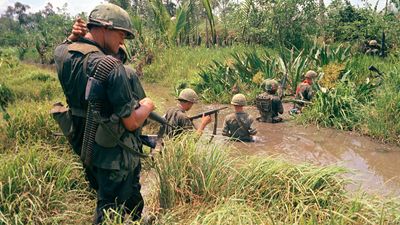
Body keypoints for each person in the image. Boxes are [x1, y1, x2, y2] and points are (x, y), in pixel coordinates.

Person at [54, 4, 155, 223]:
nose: (122, 42)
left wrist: (72, 37)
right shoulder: (111, 66)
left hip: (86, 147)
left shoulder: (61, 53)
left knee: (105, 198)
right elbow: (131, 123)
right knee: (110, 210)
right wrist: (147, 106)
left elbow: (67, 46)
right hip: (113, 155)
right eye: (121, 34)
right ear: (104, 28)